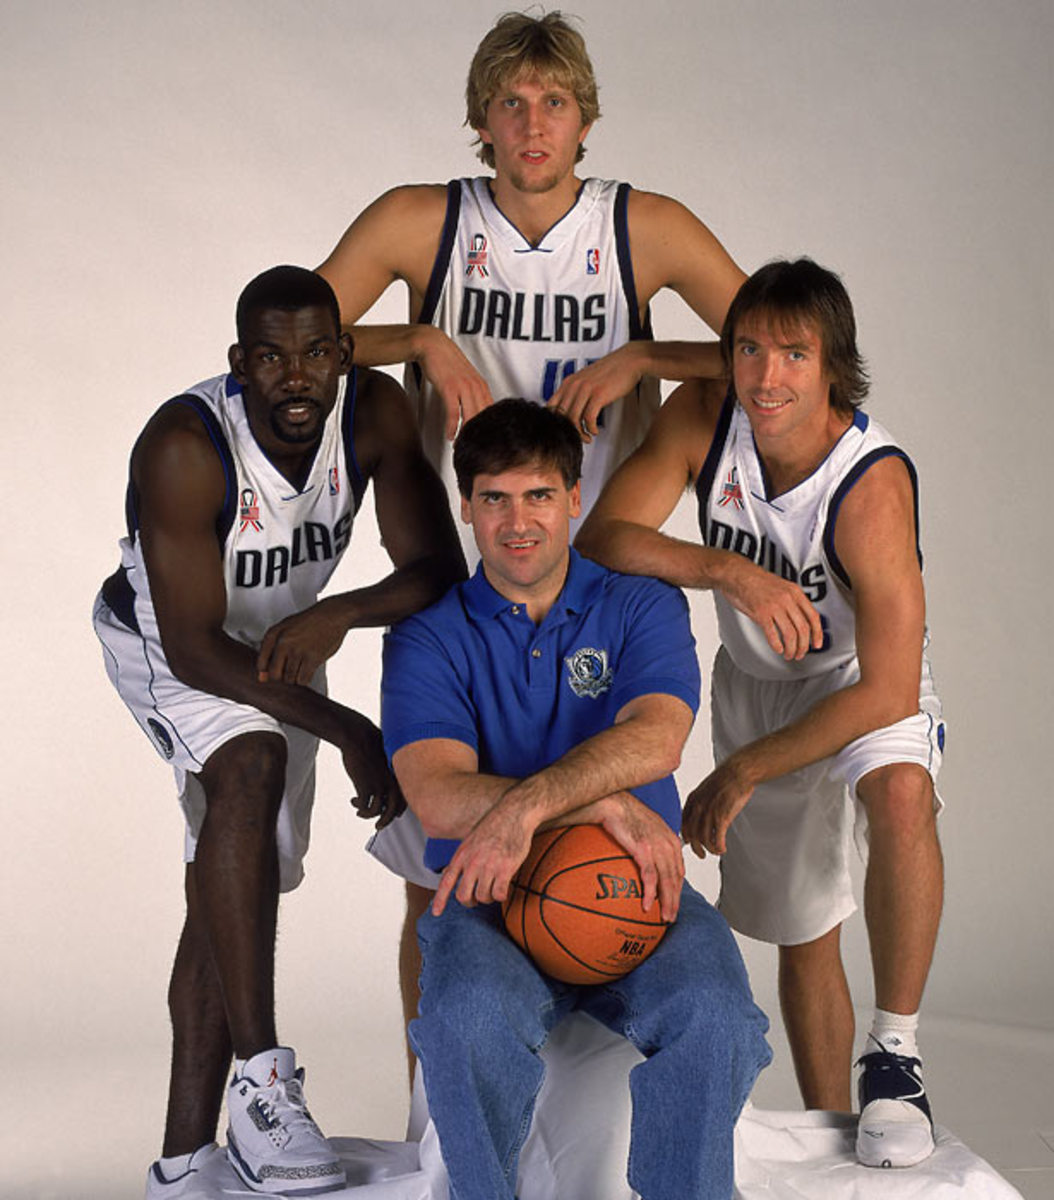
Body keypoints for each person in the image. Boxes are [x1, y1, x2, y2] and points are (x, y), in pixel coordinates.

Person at [317, 7, 745, 1051]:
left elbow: (783, 346)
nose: (533, 122)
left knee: (585, 803)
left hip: (593, 558)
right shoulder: (425, 221)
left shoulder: (646, 228)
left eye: (553, 101)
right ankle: (439, 1110)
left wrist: (647, 357)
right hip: (462, 560)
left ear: (585, 119)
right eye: (510, 102)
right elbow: (292, 340)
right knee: (436, 861)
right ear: (481, 121)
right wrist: (420, 335)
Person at [92, 266, 465, 1197]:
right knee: (248, 769)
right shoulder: (186, 445)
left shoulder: (373, 411)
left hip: (282, 646)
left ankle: (183, 1163)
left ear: (342, 356)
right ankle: (262, 1081)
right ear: (238, 364)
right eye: (269, 358)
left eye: (312, 354)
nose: (294, 377)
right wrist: (349, 728)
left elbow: (435, 569)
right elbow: (193, 648)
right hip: (172, 644)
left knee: (244, 879)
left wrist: (336, 615)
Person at [576, 258, 946, 1169]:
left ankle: (895, 1055)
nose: (768, 375)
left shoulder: (870, 485)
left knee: (901, 795)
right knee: (802, 925)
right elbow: (604, 535)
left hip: (861, 678)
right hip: (756, 679)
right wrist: (728, 571)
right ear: (727, 357)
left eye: (793, 353)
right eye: (749, 350)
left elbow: (890, 694)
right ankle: (836, 1135)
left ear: (833, 367)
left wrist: (743, 767)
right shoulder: (705, 417)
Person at [380, 399, 771, 1200]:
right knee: (461, 1022)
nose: (517, 521)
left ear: (574, 498)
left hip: (639, 881)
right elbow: (439, 799)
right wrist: (598, 803)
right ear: (466, 506)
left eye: (538, 496)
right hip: (491, 897)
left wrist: (528, 809)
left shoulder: (642, 604)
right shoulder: (427, 637)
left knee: (718, 1018)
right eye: (494, 498)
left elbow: (657, 739)